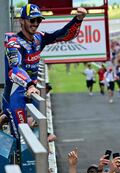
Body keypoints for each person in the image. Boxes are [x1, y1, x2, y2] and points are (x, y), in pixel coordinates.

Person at [2, 4, 86, 137]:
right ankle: (6, 115)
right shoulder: (14, 42)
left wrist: (78, 19)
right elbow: (14, 70)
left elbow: (63, 35)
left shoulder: (38, 38)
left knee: (39, 136)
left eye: (38, 20)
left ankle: (4, 117)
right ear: (22, 21)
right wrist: (29, 84)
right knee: (21, 139)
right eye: (32, 20)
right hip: (14, 95)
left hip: (31, 94)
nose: (36, 24)